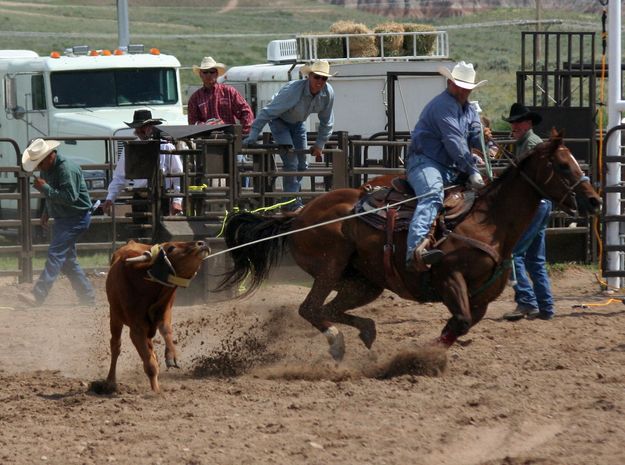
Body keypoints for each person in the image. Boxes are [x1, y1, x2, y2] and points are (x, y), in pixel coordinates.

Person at [405, 61, 487, 272]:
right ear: (450, 83)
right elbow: (454, 141)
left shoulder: (468, 109)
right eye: (459, 85)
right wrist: (471, 169)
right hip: (425, 161)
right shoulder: (442, 106)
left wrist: (486, 141)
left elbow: (475, 132)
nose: (463, 90)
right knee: (432, 194)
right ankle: (414, 251)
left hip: (449, 166)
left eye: (466, 87)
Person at [242, 59, 335, 211]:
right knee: (291, 162)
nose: (320, 81)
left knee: (303, 164)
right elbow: (267, 112)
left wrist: (320, 144)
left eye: (323, 78)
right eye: (316, 77)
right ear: (309, 76)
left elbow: (327, 121)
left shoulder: (328, 93)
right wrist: (253, 134)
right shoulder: (293, 91)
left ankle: (288, 199)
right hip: (279, 121)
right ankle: (291, 203)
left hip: (298, 124)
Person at [18, 139, 96, 307]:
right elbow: (54, 193)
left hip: (76, 218)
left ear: (50, 156)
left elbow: (70, 197)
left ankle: (38, 296)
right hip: (65, 218)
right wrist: (47, 212)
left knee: (55, 254)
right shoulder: (49, 168)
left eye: (39, 162)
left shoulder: (66, 169)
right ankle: (87, 297)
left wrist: (45, 189)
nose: (38, 167)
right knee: (67, 261)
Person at [501, 103, 555, 321]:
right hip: (541, 204)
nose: (513, 126)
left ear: (527, 123)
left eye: (517, 122)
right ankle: (546, 307)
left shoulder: (531, 145)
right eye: (513, 122)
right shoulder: (529, 143)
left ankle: (526, 301)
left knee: (513, 254)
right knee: (535, 260)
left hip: (534, 205)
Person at [103, 109, 183, 217]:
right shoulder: (131, 148)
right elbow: (119, 176)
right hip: (140, 196)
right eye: (138, 128)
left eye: (143, 128)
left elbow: (178, 174)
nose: (140, 132)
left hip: (161, 196)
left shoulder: (166, 146)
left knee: (162, 228)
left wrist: (177, 200)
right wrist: (110, 197)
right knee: (140, 229)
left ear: (151, 127)